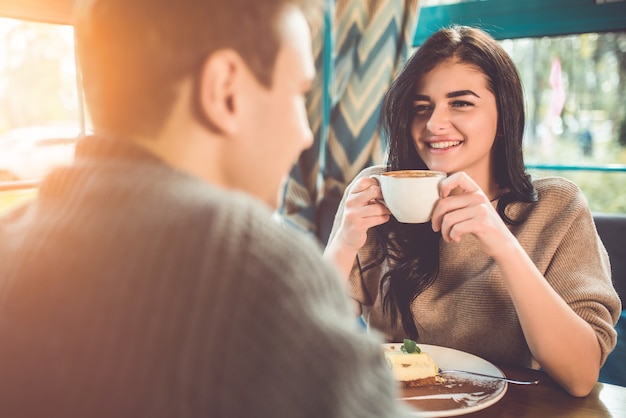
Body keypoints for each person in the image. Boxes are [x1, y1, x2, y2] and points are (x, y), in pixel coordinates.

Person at [0, 1, 414, 417]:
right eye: (297, 95)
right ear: (225, 90)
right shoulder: (252, 270)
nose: (305, 136)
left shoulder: (11, 241)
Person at [325, 25, 622, 397]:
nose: (434, 123)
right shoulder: (375, 193)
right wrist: (343, 242)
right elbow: (304, 340)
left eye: (461, 102)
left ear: (504, 114)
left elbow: (581, 375)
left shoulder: (556, 208)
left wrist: (501, 242)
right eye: (421, 107)